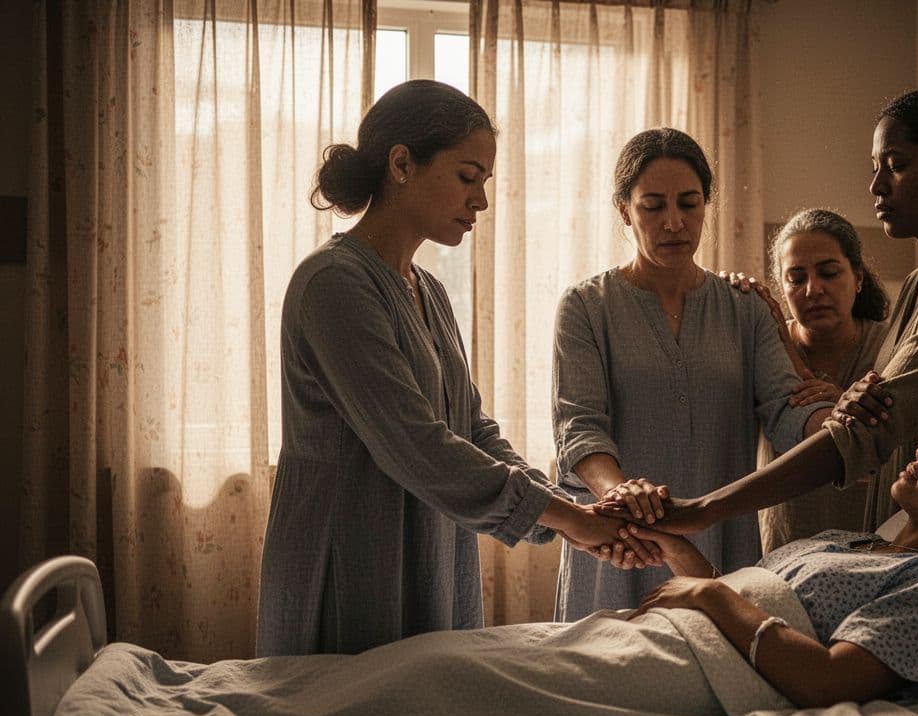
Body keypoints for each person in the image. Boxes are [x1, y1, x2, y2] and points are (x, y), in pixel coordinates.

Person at [257, 81, 648, 656]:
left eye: (484, 183)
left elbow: (473, 429)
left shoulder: (429, 291)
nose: (481, 202)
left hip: (430, 556)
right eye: (468, 177)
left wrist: (572, 515)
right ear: (401, 164)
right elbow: (419, 446)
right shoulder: (334, 285)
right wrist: (569, 518)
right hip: (349, 563)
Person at [645, 84, 918, 536]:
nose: (876, 185)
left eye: (896, 166)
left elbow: (873, 426)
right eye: (876, 167)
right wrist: (844, 401)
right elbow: (872, 409)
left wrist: (705, 510)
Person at [621, 396, 918, 706]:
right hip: (670, 640)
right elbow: (745, 600)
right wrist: (673, 547)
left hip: (693, 676)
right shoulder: (850, 541)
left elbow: (827, 681)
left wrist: (708, 597)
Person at [551, 128, 835, 621]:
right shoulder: (585, 307)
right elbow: (578, 427)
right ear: (624, 211)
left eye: (689, 203)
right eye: (653, 206)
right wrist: (620, 494)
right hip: (621, 547)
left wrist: (838, 423)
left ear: (707, 206)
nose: (674, 223)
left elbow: (789, 409)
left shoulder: (745, 309)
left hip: (721, 553)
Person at [749, 208, 891, 552]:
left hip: (872, 550)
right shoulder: (766, 350)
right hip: (785, 551)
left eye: (829, 273)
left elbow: (898, 453)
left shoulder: (891, 348)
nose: (814, 290)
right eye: (796, 278)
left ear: (858, 278)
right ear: (781, 289)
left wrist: (843, 401)